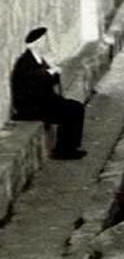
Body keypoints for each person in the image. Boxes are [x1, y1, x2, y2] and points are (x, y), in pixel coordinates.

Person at [10, 27, 85, 160]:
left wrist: (53, 70)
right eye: (44, 40)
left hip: (43, 100)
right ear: (36, 44)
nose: (47, 42)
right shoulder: (25, 62)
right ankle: (63, 151)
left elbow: (49, 83)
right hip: (31, 106)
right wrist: (49, 72)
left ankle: (71, 147)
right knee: (69, 111)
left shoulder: (40, 59)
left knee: (76, 107)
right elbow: (33, 82)